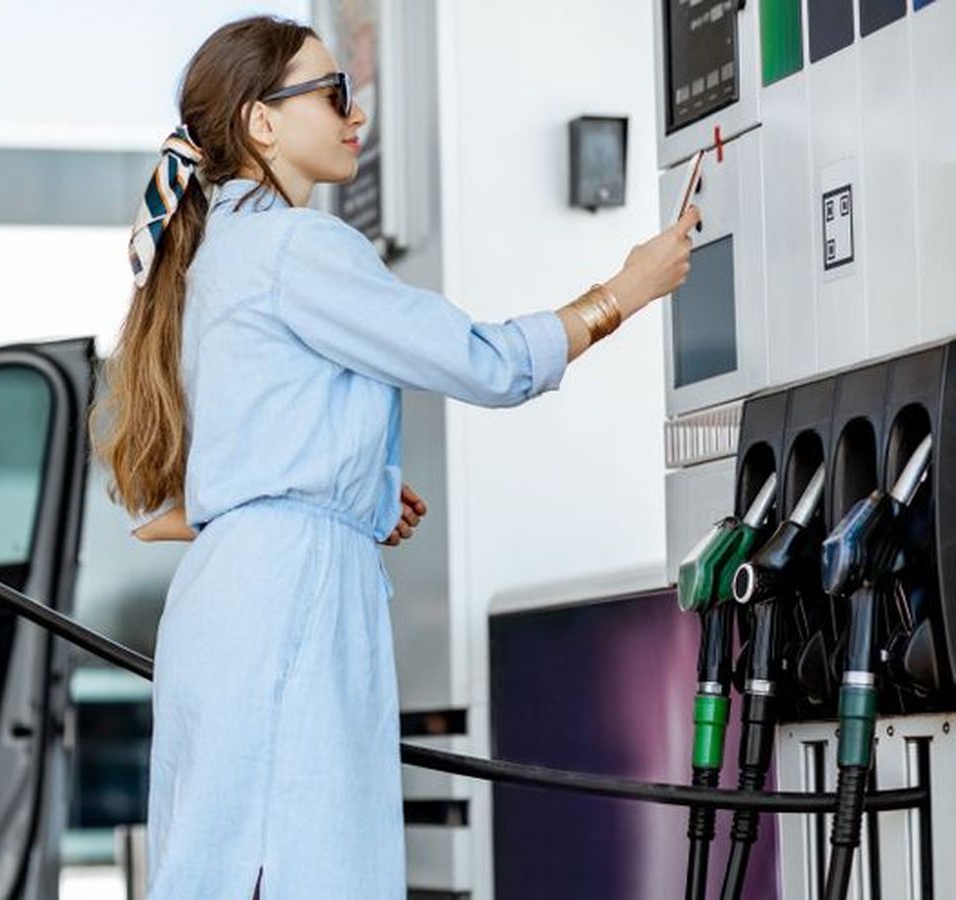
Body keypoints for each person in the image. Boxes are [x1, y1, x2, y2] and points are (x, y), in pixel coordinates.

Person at [90, 15, 698, 899]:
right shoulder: (298, 246)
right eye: (334, 94)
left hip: (230, 603)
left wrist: (354, 494)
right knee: (304, 870)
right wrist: (624, 291)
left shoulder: (209, 259)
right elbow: (484, 364)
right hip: (290, 600)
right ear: (262, 122)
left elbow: (174, 501)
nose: (356, 114)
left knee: (229, 867)